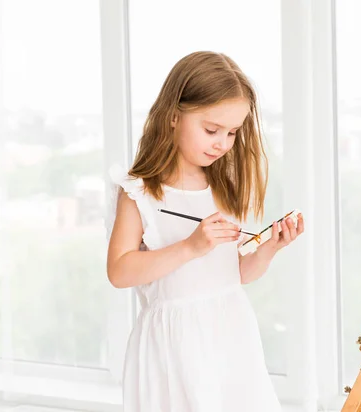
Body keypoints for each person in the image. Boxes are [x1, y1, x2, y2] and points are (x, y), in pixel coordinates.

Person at [105, 51, 304, 411]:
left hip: (230, 333)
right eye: (212, 130)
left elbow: (234, 275)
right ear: (172, 117)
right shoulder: (140, 192)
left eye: (232, 132)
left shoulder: (224, 187)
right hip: (173, 346)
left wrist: (268, 248)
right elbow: (119, 272)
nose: (222, 143)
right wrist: (189, 247)